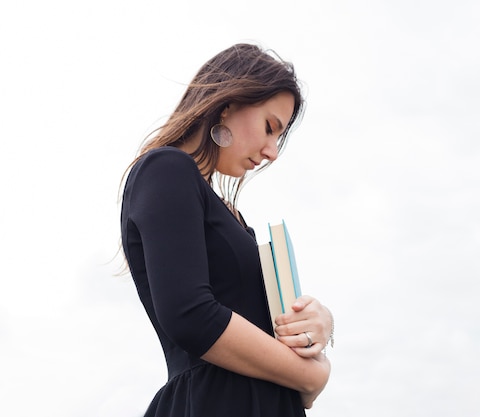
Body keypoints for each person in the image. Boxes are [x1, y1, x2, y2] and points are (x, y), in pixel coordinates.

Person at [120, 43, 333, 417]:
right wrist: (312, 376)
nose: (272, 153)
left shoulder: (231, 214)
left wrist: (320, 323)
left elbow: (258, 328)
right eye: (270, 128)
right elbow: (191, 315)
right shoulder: (167, 169)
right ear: (228, 103)